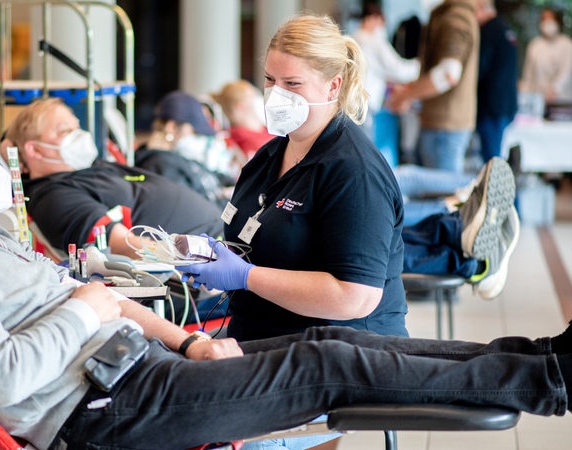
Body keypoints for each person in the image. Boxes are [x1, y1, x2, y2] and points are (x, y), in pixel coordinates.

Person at [0, 108, 572, 450]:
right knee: (328, 363)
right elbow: (4, 373)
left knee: (332, 338)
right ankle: (549, 379)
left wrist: (188, 344)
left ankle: (542, 359)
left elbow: (105, 297)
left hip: (143, 367)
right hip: (106, 411)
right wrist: (83, 307)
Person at [172, 13, 517, 347]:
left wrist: (245, 276)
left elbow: (356, 296)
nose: (276, 94)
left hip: (341, 354)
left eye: (292, 84)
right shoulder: (268, 158)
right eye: (270, 80)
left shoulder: (354, 172)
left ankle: (457, 222)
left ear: (333, 84)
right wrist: (213, 256)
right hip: (265, 342)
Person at [3, 97, 224, 259]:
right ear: (35, 150)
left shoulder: (87, 170)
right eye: (64, 131)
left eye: (76, 128)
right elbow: (119, 244)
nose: (79, 136)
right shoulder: (55, 196)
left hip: (222, 240)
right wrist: (200, 259)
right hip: (201, 270)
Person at [387, 0, 480, 173]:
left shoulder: (455, 17)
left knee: (441, 196)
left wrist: (406, 95)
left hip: (444, 127)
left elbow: (448, 74)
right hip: (443, 125)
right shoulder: (449, 15)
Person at [134, 90, 236, 208]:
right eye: (195, 133)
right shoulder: (161, 166)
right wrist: (226, 199)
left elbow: (221, 177)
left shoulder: (180, 157)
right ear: (172, 127)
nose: (200, 140)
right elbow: (196, 209)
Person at [351, 3, 420, 143]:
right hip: (365, 103)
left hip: (354, 100)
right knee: (365, 147)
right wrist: (422, 65)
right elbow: (398, 69)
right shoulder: (373, 42)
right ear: (373, 18)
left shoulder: (354, 37)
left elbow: (375, 70)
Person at [475, 0, 519, 164]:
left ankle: (504, 190)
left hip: (492, 108)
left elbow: (479, 68)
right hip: (506, 105)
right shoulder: (505, 29)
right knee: (496, 156)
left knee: (492, 163)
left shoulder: (489, 31)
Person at [210, 80, 275, 160]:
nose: (260, 99)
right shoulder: (236, 137)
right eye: (253, 97)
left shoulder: (268, 129)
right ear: (240, 106)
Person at [519, 7, 572, 104]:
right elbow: (528, 74)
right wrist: (525, 90)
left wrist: (555, 89)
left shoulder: (567, 44)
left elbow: (566, 72)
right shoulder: (535, 45)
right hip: (537, 99)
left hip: (561, 99)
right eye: (544, 19)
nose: (547, 22)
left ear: (558, 21)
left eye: (550, 19)